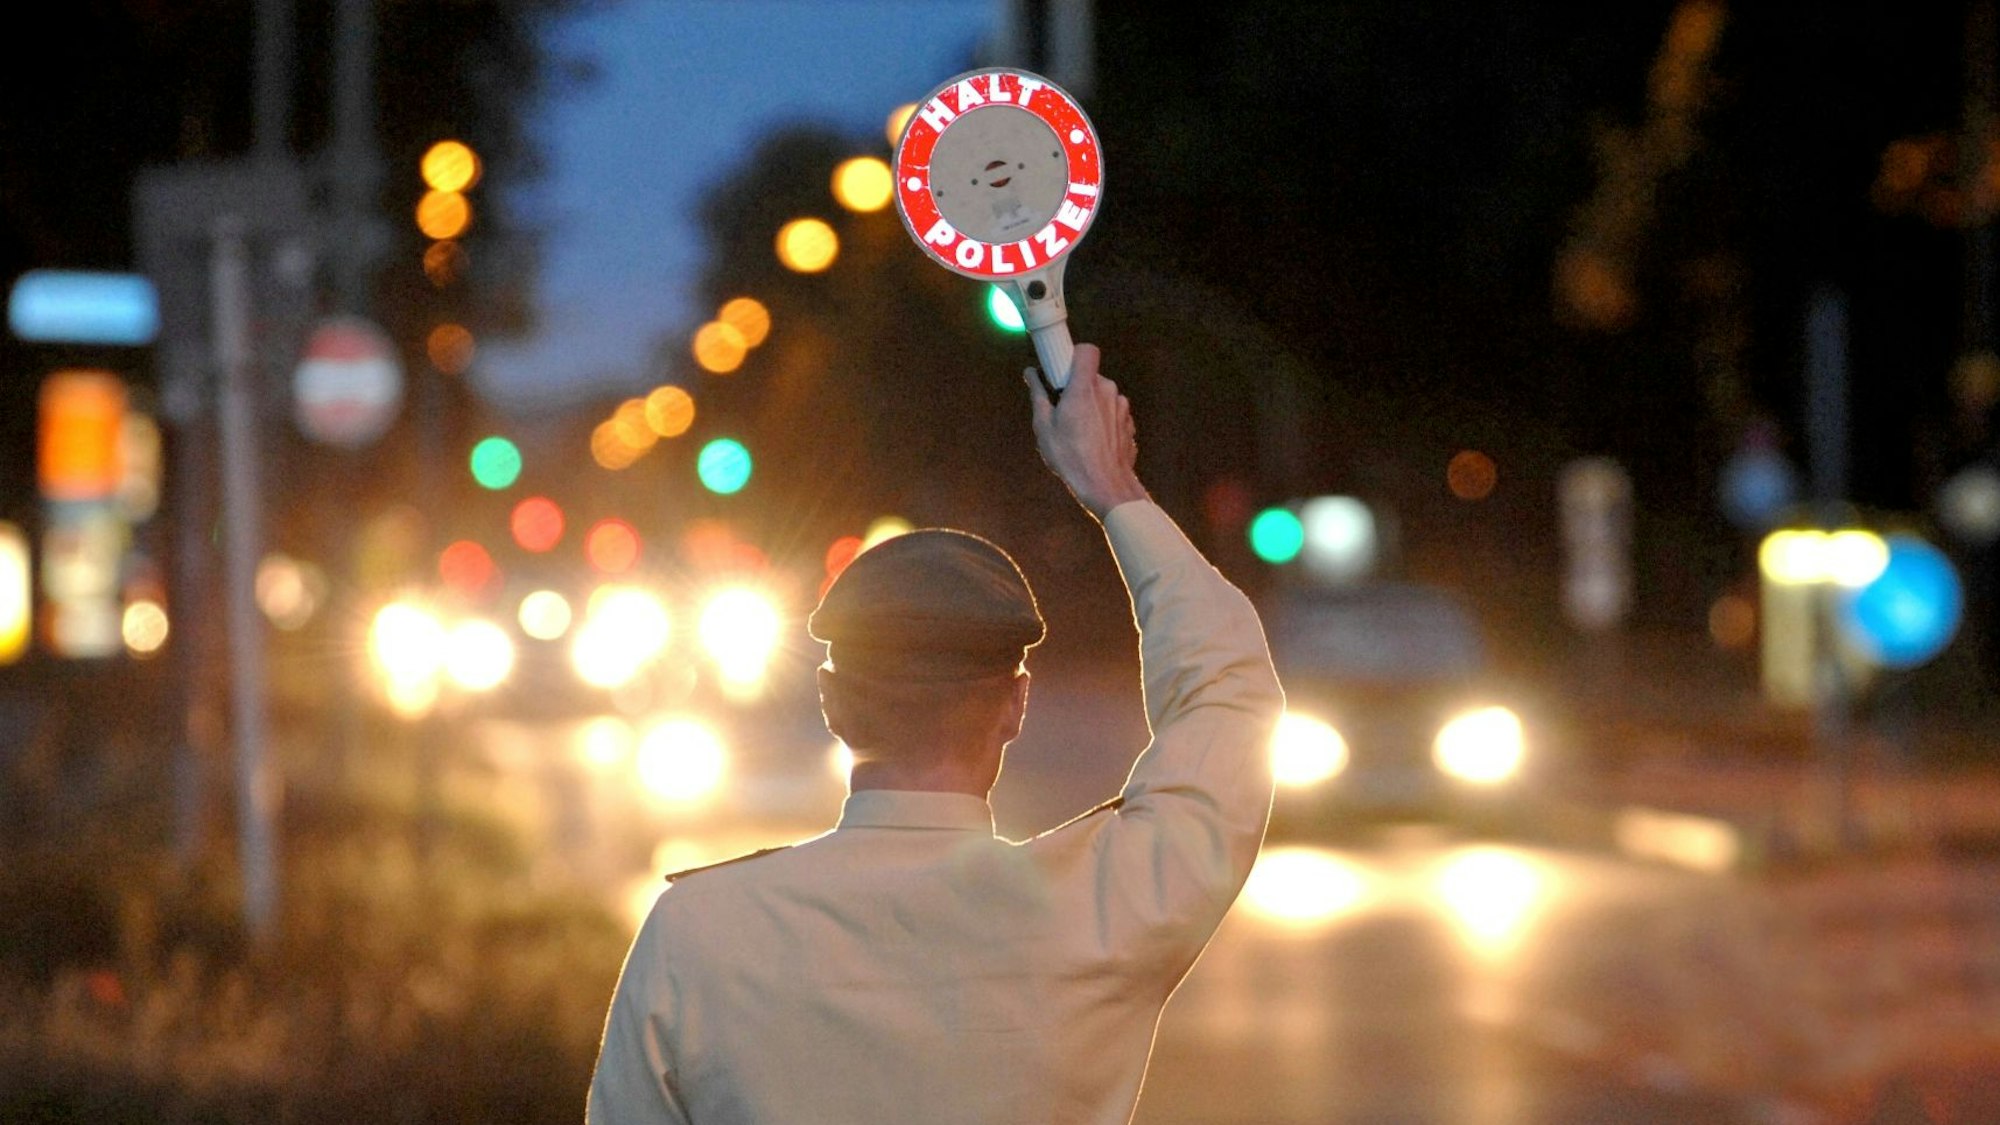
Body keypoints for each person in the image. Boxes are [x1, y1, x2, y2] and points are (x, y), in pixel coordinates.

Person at [586, 344, 1284, 1125]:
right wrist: (1113, 488)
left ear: (832, 704)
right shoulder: (1103, 909)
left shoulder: (697, 931)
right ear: (1014, 706)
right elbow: (1229, 689)